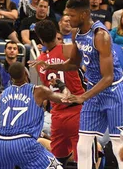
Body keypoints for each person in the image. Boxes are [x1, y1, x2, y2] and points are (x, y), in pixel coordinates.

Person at [31, 0, 123, 169]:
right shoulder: (76, 33)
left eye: (72, 15)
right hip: (93, 90)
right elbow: (73, 64)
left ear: (84, 14)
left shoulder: (101, 36)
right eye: (67, 15)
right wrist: (51, 64)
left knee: (118, 144)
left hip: (113, 91)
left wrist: (82, 97)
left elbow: (108, 78)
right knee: (83, 144)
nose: (68, 20)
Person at [0, 62, 65, 169]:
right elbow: (67, 98)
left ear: (10, 77)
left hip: (1, 145)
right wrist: (61, 85)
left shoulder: (0, 97)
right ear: (25, 73)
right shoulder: (38, 91)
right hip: (24, 143)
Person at [35, 20, 84, 165]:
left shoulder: (40, 61)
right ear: (57, 34)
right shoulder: (67, 50)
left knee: (57, 160)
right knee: (85, 157)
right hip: (76, 110)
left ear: (41, 39)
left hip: (57, 115)